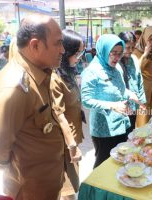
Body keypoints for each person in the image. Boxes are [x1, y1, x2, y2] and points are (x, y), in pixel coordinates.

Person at [0, 15, 65, 199]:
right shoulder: (15, 88)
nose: (63, 50)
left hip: (47, 183)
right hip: (31, 191)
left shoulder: (39, 72)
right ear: (35, 45)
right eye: (57, 44)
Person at [81, 34, 142, 168]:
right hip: (103, 129)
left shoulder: (117, 68)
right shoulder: (92, 71)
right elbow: (86, 100)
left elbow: (120, 89)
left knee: (119, 159)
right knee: (103, 163)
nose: (116, 57)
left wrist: (130, 94)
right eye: (113, 53)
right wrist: (112, 105)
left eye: (119, 54)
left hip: (121, 123)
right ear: (104, 50)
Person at [50, 29, 85, 200]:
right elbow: (59, 114)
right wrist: (72, 146)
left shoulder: (68, 72)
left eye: (81, 52)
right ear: (66, 52)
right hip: (65, 141)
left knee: (71, 186)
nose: (79, 57)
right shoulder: (55, 78)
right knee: (69, 189)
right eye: (77, 53)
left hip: (73, 135)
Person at [118, 32, 146, 132]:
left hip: (134, 104)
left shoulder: (134, 59)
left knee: (131, 131)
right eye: (127, 47)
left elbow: (139, 80)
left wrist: (142, 102)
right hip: (121, 107)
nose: (130, 51)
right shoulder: (115, 62)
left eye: (132, 47)